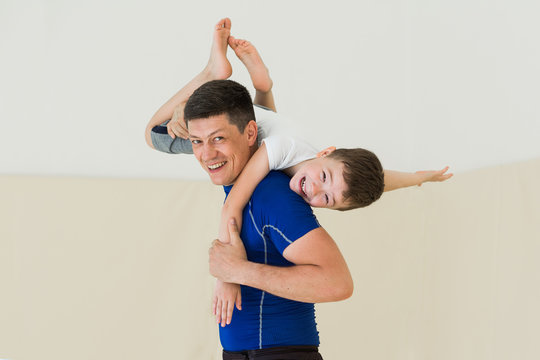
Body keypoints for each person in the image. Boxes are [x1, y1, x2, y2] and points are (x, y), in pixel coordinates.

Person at [144, 18, 453, 329]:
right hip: (253, 121)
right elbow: (232, 204)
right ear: (325, 152)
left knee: (263, 122)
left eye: (328, 200)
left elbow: (381, 180)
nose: (314, 192)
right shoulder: (281, 149)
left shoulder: (327, 169)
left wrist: (419, 177)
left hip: (262, 121)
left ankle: (263, 86)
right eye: (324, 180)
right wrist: (227, 273)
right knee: (152, 135)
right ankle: (213, 74)